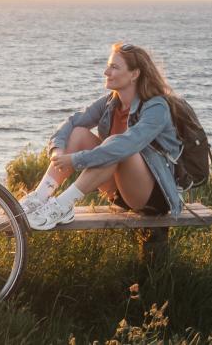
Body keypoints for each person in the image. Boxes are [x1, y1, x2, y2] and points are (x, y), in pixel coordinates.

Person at [20, 42, 184, 230]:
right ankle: (40, 197)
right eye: (108, 66)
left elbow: (126, 145)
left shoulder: (156, 107)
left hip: (152, 197)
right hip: (118, 190)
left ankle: (62, 206)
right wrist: (57, 152)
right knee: (79, 133)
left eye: (114, 67)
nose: (106, 72)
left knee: (115, 144)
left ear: (134, 74)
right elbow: (73, 121)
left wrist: (76, 160)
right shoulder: (110, 103)